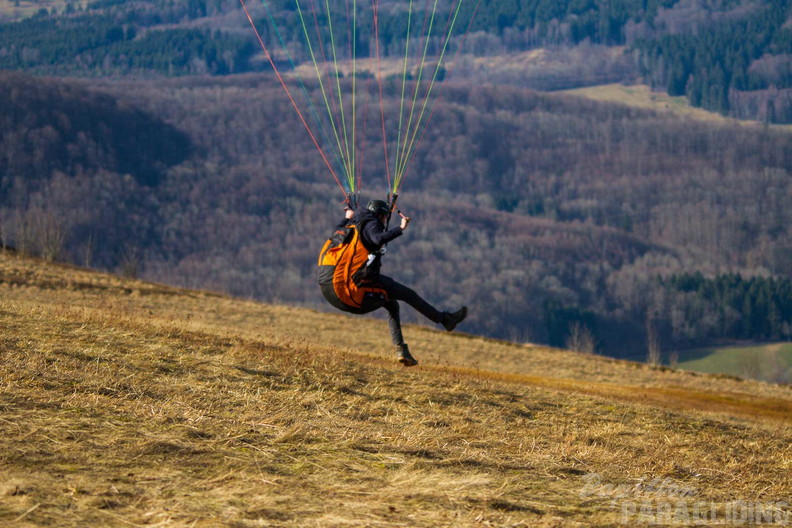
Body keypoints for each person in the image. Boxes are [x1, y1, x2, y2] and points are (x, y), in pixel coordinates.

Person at [319, 199, 467, 366]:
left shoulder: (349, 226)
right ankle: (445, 320)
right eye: (384, 218)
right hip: (349, 293)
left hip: (329, 289)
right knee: (407, 294)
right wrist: (401, 228)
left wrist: (347, 217)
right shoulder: (371, 224)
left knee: (391, 303)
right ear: (381, 216)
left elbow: (338, 228)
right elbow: (376, 239)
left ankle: (403, 350)